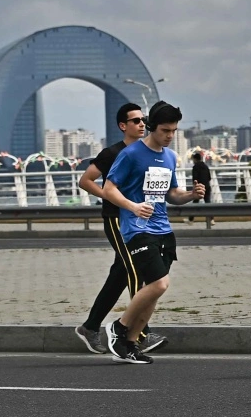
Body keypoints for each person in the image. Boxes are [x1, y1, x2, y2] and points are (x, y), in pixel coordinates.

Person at [101, 100, 206, 364]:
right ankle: (119, 327)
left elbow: (171, 194)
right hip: (136, 229)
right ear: (151, 127)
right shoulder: (131, 154)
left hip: (163, 229)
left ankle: (130, 343)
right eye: (164, 130)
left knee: (154, 288)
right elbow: (109, 189)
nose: (170, 136)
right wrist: (132, 207)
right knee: (160, 283)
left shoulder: (170, 157)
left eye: (173, 131)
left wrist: (191, 195)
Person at [73, 103, 168, 355]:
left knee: (119, 275)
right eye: (135, 120)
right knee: (135, 271)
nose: (141, 124)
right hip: (117, 219)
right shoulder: (113, 152)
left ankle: (90, 327)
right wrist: (111, 196)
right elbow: (85, 180)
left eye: (143, 120)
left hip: (141, 221)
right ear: (122, 126)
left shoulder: (146, 152)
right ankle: (139, 334)